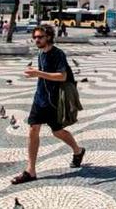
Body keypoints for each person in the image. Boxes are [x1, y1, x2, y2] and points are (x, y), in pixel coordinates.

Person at [11, 25, 85, 185]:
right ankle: (30, 170)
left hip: (54, 101)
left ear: (49, 37)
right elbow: (45, 74)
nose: (37, 40)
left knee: (58, 132)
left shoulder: (58, 54)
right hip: (40, 99)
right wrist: (37, 72)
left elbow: (62, 76)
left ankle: (78, 151)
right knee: (33, 129)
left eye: (40, 37)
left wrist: (38, 73)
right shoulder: (41, 53)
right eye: (35, 37)